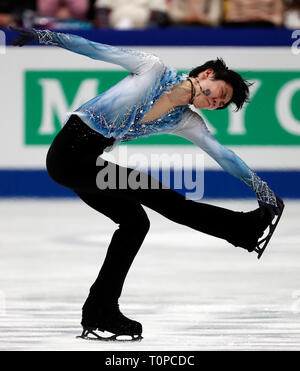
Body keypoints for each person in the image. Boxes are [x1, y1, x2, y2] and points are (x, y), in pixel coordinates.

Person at [10, 27, 284, 341]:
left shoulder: (185, 120)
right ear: (207, 74)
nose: (215, 103)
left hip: (86, 163)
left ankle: (100, 310)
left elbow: (223, 154)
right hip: (68, 155)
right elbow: (91, 47)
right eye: (219, 93)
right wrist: (40, 36)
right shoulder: (151, 68)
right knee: (163, 199)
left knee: (135, 223)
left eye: (220, 105)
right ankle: (244, 229)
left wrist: (261, 189)